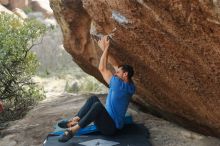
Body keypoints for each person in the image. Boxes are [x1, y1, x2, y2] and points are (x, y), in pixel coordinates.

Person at [58, 36, 136, 142]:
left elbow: (102, 68)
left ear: (125, 74)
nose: (115, 73)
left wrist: (106, 47)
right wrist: (105, 49)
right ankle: (73, 121)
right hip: (107, 120)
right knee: (93, 99)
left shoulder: (118, 84)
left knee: (97, 106)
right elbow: (114, 64)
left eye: (118, 72)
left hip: (110, 128)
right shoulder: (131, 86)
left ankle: (73, 130)